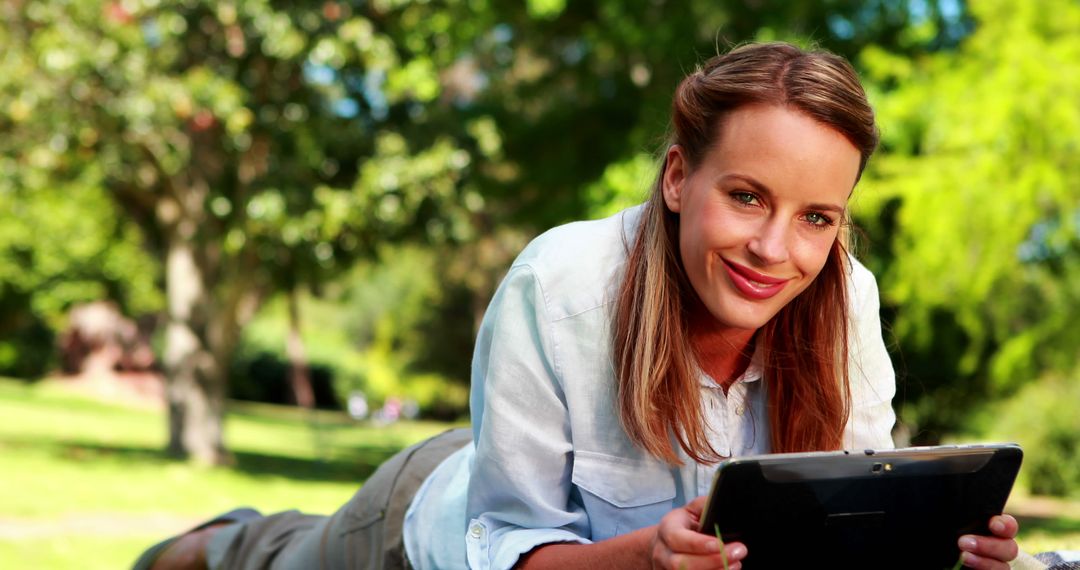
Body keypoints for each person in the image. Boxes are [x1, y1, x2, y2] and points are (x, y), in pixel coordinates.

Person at [135, 42, 1026, 570]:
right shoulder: (560, 283)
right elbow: (506, 540)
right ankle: (215, 542)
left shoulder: (846, 300)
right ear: (679, 177)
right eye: (748, 197)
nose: (775, 250)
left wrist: (944, 551)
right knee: (289, 561)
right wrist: (648, 556)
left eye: (817, 218)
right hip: (449, 520)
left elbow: (854, 518)